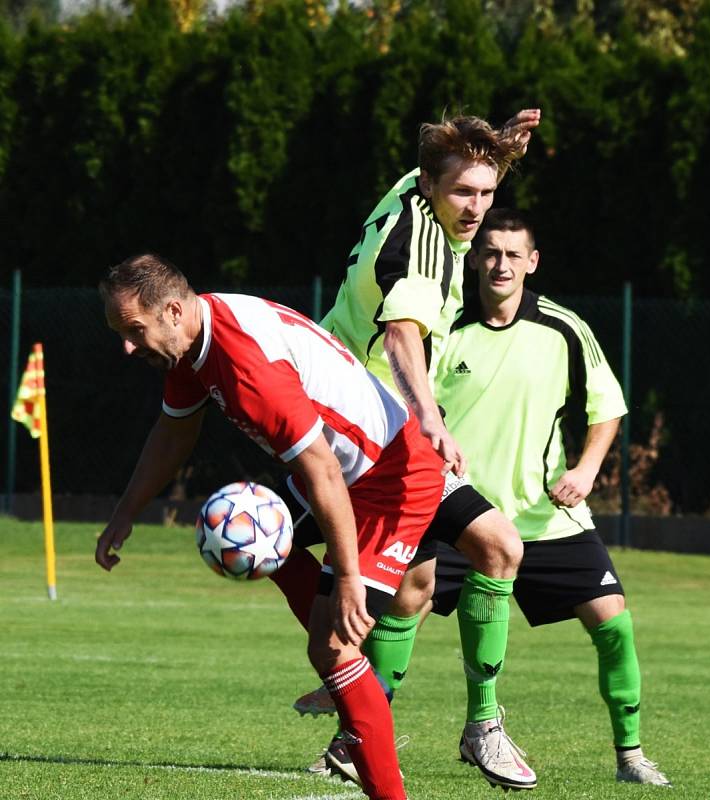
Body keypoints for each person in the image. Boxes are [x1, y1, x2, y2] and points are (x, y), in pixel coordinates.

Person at [95, 253, 448, 800]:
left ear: (169, 310)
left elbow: (324, 471)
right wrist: (126, 511)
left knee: (331, 647)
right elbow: (174, 433)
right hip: (344, 473)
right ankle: (346, 648)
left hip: (390, 477)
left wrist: (350, 577)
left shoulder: (244, 367)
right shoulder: (193, 341)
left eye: (133, 330)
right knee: (264, 542)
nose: (126, 346)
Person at [292, 113, 542, 791]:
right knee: (498, 547)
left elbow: (456, 164)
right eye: (465, 193)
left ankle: (354, 733)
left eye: (487, 194)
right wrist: (429, 418)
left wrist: (499, 153)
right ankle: (481, 728)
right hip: (372, 421)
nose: (478, 210)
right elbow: (403, 333)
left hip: (341, 409)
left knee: (412, 590)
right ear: (434, 184)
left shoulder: (408, 190)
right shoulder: (425, 247)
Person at [421, 208, 669, 786]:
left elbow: (606, 410)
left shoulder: (564, 329)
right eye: (491, 251)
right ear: (476, 258)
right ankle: (351, 743)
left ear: (532, 262)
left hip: (544, 517)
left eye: (514, 254)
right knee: (404, 604)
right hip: (458, 511)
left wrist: (585, 469)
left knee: (614, 622)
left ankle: (630, 756)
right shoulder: (441, 326)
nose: (501, 263)